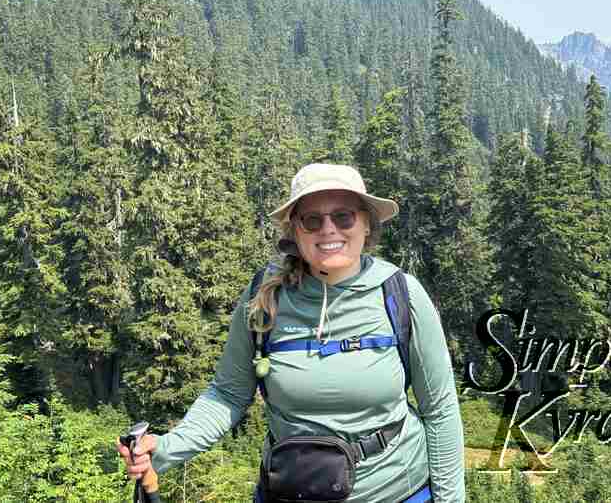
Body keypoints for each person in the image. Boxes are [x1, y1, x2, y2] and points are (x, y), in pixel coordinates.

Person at [118, 163, 465, 502]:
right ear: (295, 232)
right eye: (312, 220)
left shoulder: (400, 294)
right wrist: (165, 449)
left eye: (343, 217)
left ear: (366, 225)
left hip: (398, 490)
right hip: (290, 491)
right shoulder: (265, 296)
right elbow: (228, 394)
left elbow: (440, 410)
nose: (328, 229)